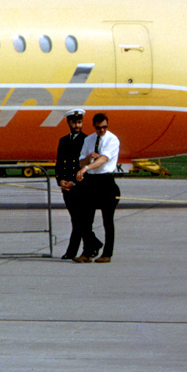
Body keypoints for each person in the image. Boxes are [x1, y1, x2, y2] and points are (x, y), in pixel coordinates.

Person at [55, 109, 101, 261]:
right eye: (74, 122)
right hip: (67, 187)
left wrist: (74, 182)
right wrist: (60, 180)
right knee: (76, 220)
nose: (77, 125)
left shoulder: (88, 141)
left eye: (79, 122)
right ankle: (93, 243)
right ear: (68, 123)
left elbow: (87, 165)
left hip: (81, 186)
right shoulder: (63, 141)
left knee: (79, 220)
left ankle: (73, 251)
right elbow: (60, 164)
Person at [76, 112, 122, 264]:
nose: (102, 130)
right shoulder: (89, 140)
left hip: (106, 182)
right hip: (91, 182)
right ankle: (89, 250)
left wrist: (86, 168)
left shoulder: (112, 139)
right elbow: (81, 161)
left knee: (107, 220)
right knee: (85, 220)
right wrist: (88, 159)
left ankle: (107, 253)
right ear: (94, 126)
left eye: (104, 127)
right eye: (99, 128)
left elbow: (103, 159)